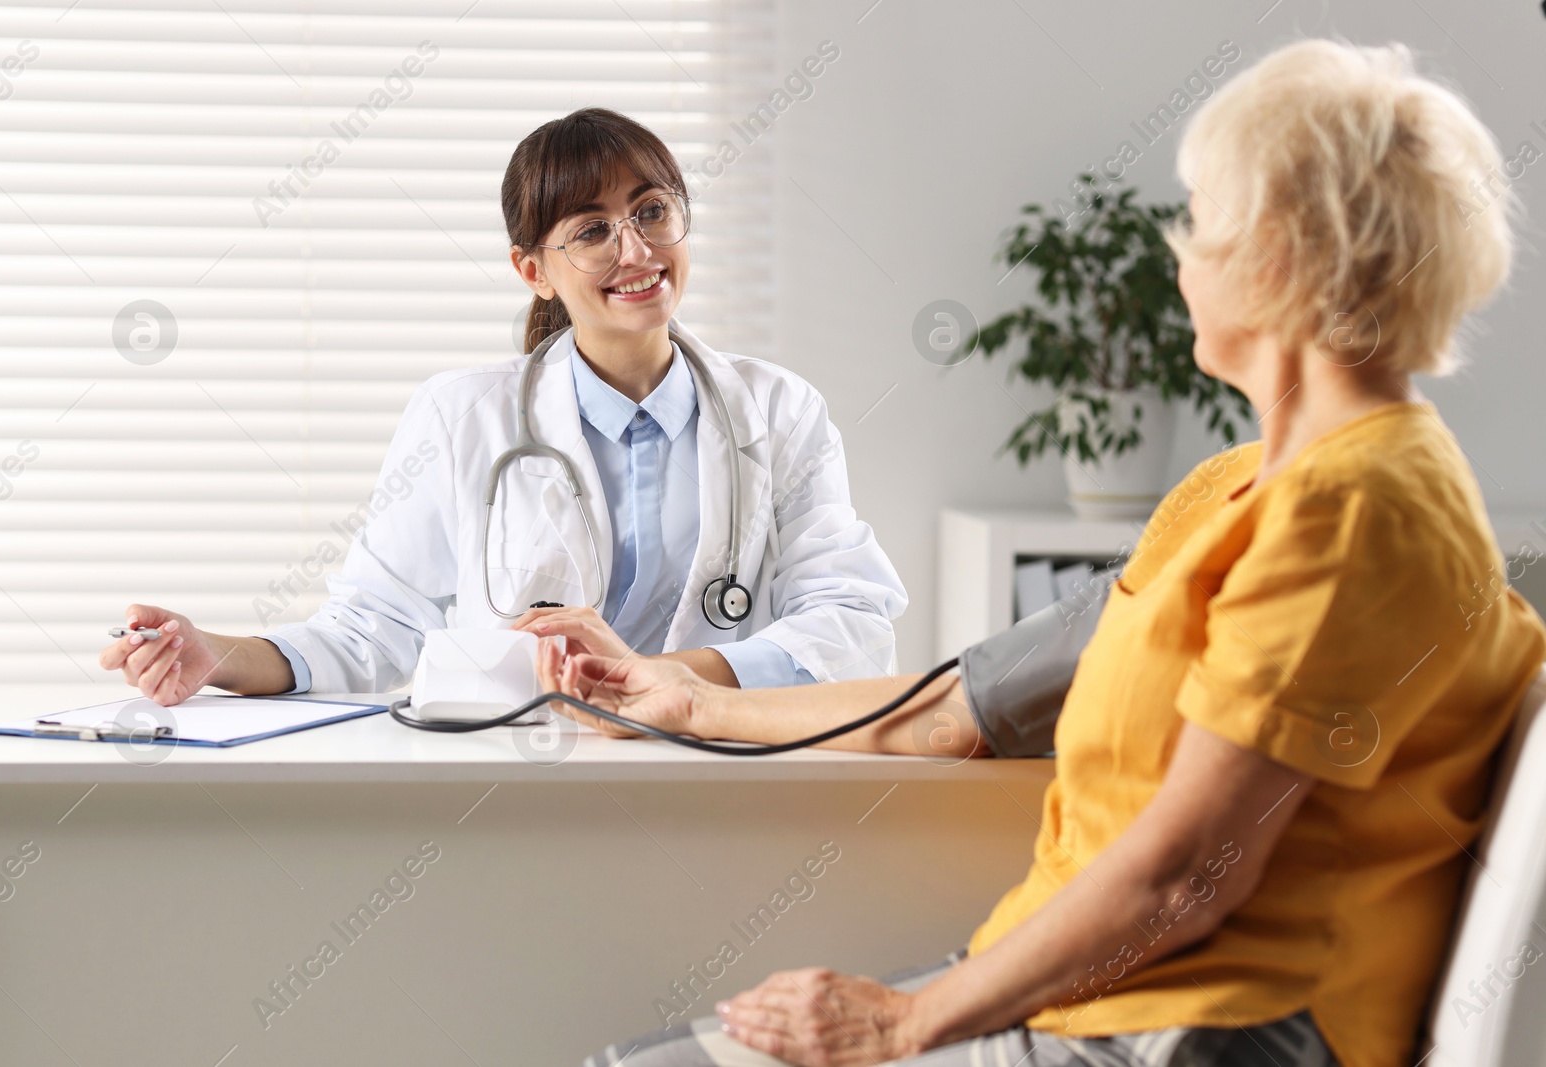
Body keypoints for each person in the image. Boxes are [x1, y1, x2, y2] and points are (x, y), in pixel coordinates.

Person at [551, 42, 1546, 1067]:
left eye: (1199, 220)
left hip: (1201, 1028)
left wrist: (905, 1023)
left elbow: (1185, 875)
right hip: (1097, 997)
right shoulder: (1236, 486)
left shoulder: (1358, 510)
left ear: (1277, 258)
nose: (1177, 255)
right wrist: (688, 701)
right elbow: (961, 709)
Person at [98, 107, 906, 706]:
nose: (636, 251)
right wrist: (216, 653)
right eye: (592, 230)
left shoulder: (779, 410)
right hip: (524, 774)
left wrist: (666, 676)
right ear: (535, 270)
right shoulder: (461, 416)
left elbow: (852, 620)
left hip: (722, 764)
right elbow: (374, 629)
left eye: (653, 211)